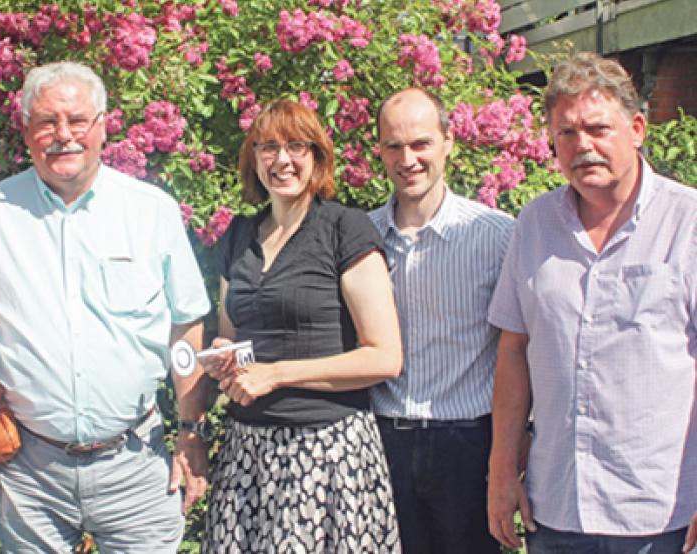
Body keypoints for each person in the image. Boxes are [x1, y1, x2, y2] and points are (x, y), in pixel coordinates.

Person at [0, 61, 211, 553]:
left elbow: (186, 323)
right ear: (26, 129)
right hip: (29, 472)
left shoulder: (150, 210)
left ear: (103, 125)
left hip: (137, 462)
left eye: (77, 121)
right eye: (47, 122)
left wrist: (191, 429)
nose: (63, 135)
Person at [487, 52, 697, 553]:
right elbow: (514, 350)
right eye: (566, 133)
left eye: (598, 129)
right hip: (557, 508)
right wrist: (502, 469)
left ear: (637, 129)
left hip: (657, 514)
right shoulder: (535, 225)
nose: (583, 146)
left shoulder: (687, 222)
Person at [201, 99, 404, 553]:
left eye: (296, 146)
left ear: (316, 156)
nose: (282, 160)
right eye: (268, 147)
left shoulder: (344, 229)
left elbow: (385, 357)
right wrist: (223, 357)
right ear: (253, 159)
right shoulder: (238, 236)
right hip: (247, 452)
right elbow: (233, 336)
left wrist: (275, 374)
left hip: (326, 451)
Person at [367, 88, 513, 554]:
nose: (407, 159)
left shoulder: (496, 236)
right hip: (381, 441)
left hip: (467, 445)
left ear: (449, 142)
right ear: (380, 151)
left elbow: (524, 348)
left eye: (421, 144)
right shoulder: (359, 238)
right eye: (394, 146)